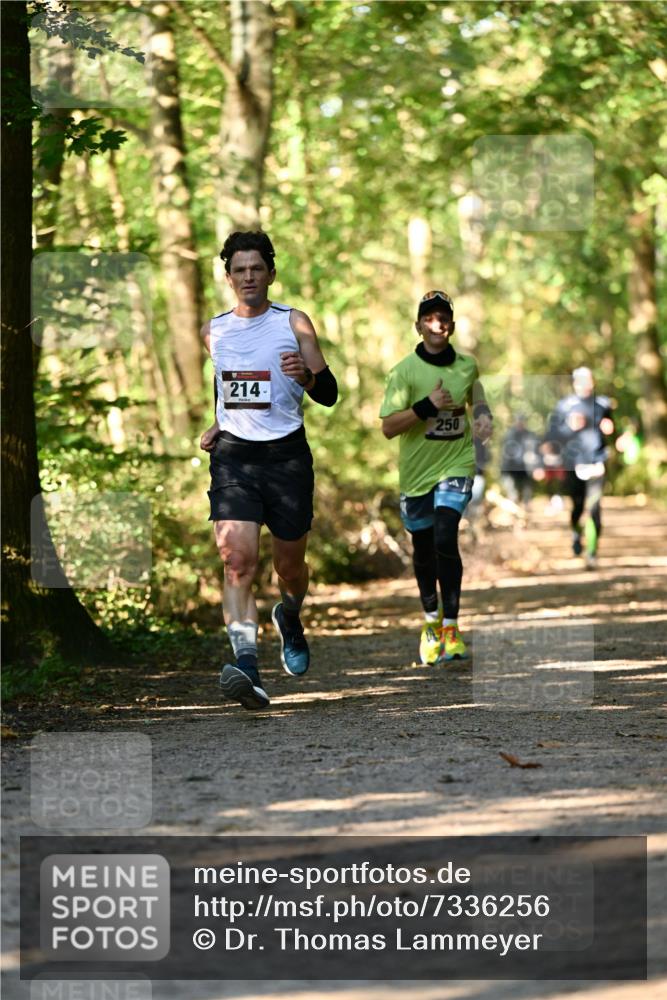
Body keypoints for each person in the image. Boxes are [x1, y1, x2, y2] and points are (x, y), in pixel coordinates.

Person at [199, 231, 338, 710]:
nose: (249, 277)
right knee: (236, 559)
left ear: (271, 273)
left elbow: (329, 393)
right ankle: (247, 666)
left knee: (290, 566)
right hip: (235, 457)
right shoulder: (213, 331)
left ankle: (291, 615)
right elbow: (227, 386)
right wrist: (216, 422)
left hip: (287, 459)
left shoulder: (293, 322)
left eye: (257, 268)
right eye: (240, 270)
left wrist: (307, 374)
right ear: (229, 277)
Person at [380, 290, 492, 665]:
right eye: (429, 318)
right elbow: (389, 428)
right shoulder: (403, 372)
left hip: (457, 463)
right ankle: (430, 624)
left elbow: (478, 400)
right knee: (424, 548)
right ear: (418, 326)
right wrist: (428, 406)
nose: (437, 324)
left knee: (446, 535)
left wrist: (483, 418)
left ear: (452, 326)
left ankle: (452, 627)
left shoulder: (467, 366)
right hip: (416, 475)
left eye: (443, 317)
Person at [544, 367, 614, 569]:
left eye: (589, 380)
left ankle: (591, 553)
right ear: (575, 383)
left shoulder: (603, 404)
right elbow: (553, 436)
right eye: (581, 381)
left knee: (594, 509)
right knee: (577, 506)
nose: (586, 384)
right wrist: (569, 428)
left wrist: (611, 429)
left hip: (597, 462)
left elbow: (612, 429)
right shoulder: (564, 406)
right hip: (573, 463)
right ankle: (576, 532)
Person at [500, 414, 540, 508]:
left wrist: (536, 466)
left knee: (527, 486)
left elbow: (534, 451)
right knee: (511, 490)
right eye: (518, 421)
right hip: (510, 466)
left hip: (525, 467)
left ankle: (526, 505)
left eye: (522, 422)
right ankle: (513, 504)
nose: (520, 424)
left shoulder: (530, 435)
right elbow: (506, 453)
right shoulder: (509, 434)